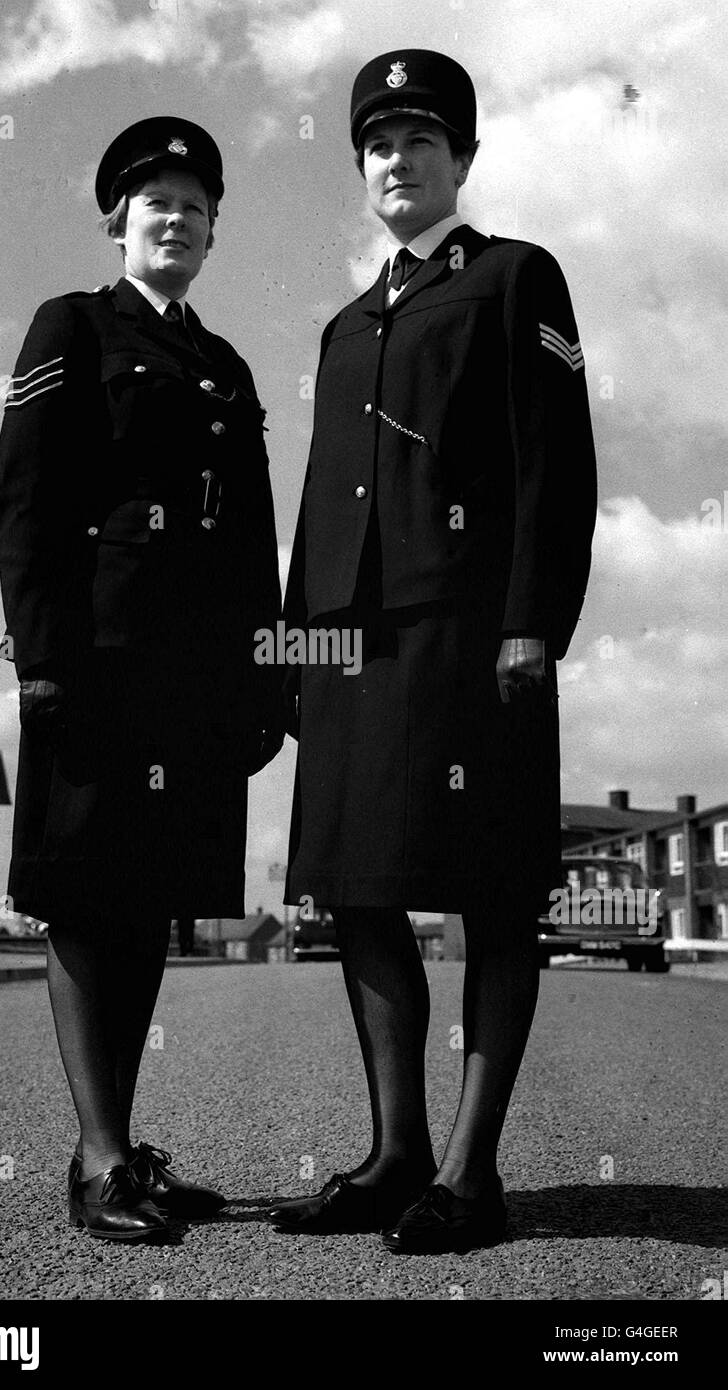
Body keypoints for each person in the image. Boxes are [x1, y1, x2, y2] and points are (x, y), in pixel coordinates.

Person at [269, 50, 597, 1253]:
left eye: (419, 139)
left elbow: (554, 463)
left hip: (473, 640)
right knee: (357, 892)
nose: (396, 160)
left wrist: (531, 620)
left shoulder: (515, 279)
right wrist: (297, 648)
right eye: (378, 143)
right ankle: (394, 1151)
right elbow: (317, 505)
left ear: (461, 158)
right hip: (355, 655)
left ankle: (471, 1171)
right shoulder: (346, 325)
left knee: (492, 899)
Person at [0, 118, 283, 1242]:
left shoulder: (226, 367)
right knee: (83, 895)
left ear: (214, 235)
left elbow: (254, 541)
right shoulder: (71, 327)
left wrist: (268, 678)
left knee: (152, 899)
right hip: (96, 666)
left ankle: (114, 1151)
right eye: (155, 203)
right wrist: (43, 658)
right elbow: (25, 500)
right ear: (121, 222)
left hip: (194, 684)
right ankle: (102, 1161)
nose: (175, 220)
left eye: (195, 207)